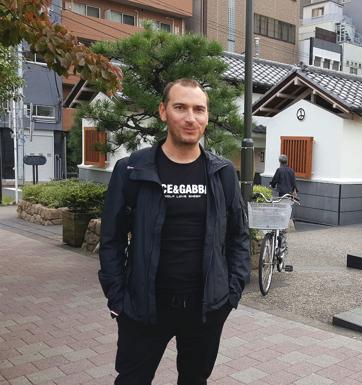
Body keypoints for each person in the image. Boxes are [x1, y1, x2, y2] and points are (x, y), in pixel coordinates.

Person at [98, 78, 250, 385]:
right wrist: (117, 298)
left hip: (206, 308)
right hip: (143, 306)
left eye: (199, 109)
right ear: (163, 111)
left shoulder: (221, 174)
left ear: (207, 116)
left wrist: (230, 294)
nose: (191, 118)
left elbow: (238, 236)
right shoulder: (132, 170)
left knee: (195, 380)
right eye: (180, 107)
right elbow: (111, 239)